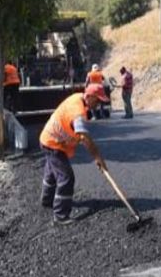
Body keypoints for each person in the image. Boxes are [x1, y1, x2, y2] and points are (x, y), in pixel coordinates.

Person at [39, 84, 110, 225]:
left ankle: (46, 200)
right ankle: (60, 216)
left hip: (50, 139)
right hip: (53, 143)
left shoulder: (79, 98)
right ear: (89, 96)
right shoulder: (77, 112)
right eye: (97, 100)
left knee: (52, 172)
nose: (98, 104)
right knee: (66, 177)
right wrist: (98, 157)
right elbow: (84, 137)